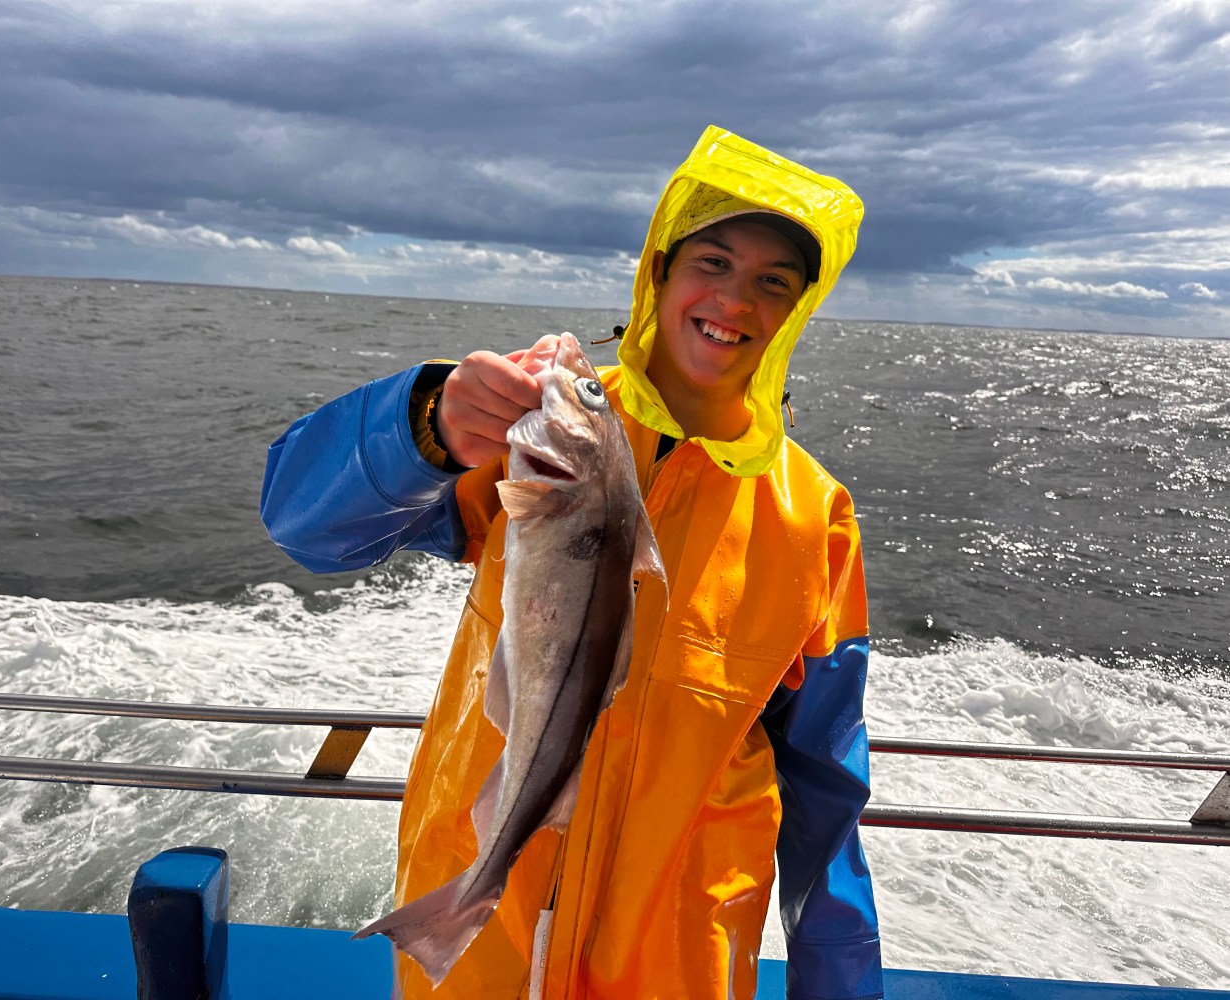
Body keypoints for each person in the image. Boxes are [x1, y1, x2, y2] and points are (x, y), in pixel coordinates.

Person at [261, 125, 883, 999]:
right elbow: (304, 528)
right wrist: (428, 425)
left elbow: (822, 787)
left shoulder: (816, 516)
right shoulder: (533, 437)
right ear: (658, 270)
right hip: (480, 924)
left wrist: (839, 986)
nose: (734, 300)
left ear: (793, 316)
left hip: (676, 956)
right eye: (711, 262)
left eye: (771, 283)